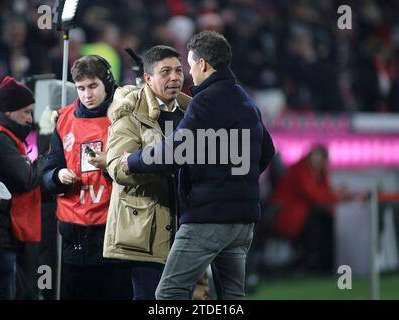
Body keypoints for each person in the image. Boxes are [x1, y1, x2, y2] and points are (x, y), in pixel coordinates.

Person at [122, 31, 275, 300]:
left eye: (190, 66)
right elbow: (267, 151)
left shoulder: (205, 101)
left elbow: (175, 151)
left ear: (202, 64)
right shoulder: (246, 101)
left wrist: (132, 161)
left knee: (169, 294)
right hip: (243, 219)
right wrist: (238, 179)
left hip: (209, 216)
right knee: (232, 297)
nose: (189, 74)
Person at [104, 45, 210, 300]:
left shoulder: (193, 113)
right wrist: (162, 164)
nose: (174, 77)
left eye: (177, 70)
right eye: (165, 72)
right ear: (148, 78)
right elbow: (117, 167)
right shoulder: (130, 115)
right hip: (145, 233)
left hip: (187, 227)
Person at [42, 55, 132, 300]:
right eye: (81, 88)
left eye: (93, 86)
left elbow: (138, 172)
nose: (87, 94)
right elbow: (48, 169)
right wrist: (58, 175)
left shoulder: (124, 118)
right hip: (73, 235)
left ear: (108, 84)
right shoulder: (63, 119)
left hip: (113, 230)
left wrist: (108, 165)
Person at [269, 145, 356, 274]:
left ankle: (323, 265)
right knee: (320, 223)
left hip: (302, 215)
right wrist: (337, 196)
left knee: (325, 219)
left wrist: (336, 194)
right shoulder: (300, 169)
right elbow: (311, 194)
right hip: (288, 216)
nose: (316, 161)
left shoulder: (319, 173)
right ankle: (311, 265)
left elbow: (323, 192)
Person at [0, 76, 44, 299]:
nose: (30, 119)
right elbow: (25, 177)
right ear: (9, 111)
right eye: (26, 112)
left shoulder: (6, 135)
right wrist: (47, 158)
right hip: (2, 235)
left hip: (7, 234)